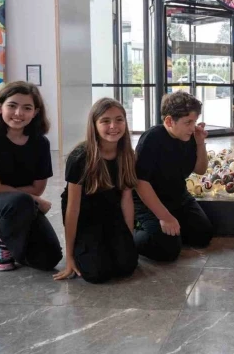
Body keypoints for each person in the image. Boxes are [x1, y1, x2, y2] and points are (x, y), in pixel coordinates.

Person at [0, 81, 62, 272]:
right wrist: (34, 199)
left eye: (27, 108)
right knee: (19, 201)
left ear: (35, 112)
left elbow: (37, 188)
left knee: (48, 259)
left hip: (17, 204)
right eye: (12, 106)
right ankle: (1, 242)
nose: (18, 113)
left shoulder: (40, 143)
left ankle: (15, 242)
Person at [54, 98, 138, 283]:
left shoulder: (127, 155)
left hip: (112, 212)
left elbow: (126, 199)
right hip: (86, 216)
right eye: (105, 121)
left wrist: (128, 238)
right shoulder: (80, 157)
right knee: (97, 273)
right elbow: (72, 208)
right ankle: (82, 248)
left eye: (119, 120)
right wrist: (69, 256)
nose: (113, 126)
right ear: (94, 125)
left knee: (127, 266)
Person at [133, 91, 213, 261]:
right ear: (169, 121)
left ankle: (171, 232)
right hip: (149, 202)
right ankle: (132, 232)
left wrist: (200, 142)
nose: (193, 127)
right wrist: (165, 216)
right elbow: (140, 182)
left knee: (203, 235)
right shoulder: (152, 138)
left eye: (194, 122)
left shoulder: (189, 136)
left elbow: (200, 169)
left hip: (178, 196)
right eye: (188, 122)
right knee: (167, 250)